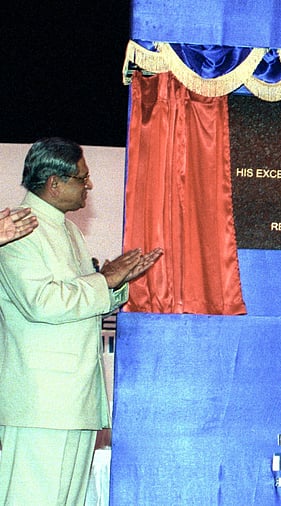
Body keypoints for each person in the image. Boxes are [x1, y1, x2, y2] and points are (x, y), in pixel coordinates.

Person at [0, 138, 163, 505]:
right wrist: (103, 281)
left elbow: (80, 297)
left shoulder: (66, 229)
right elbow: (41, 303)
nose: (88, 185)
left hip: (70, 399)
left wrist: (116, 282)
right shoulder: (19, 228)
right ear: (54, 183)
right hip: (41, 402)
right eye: (81, 178)